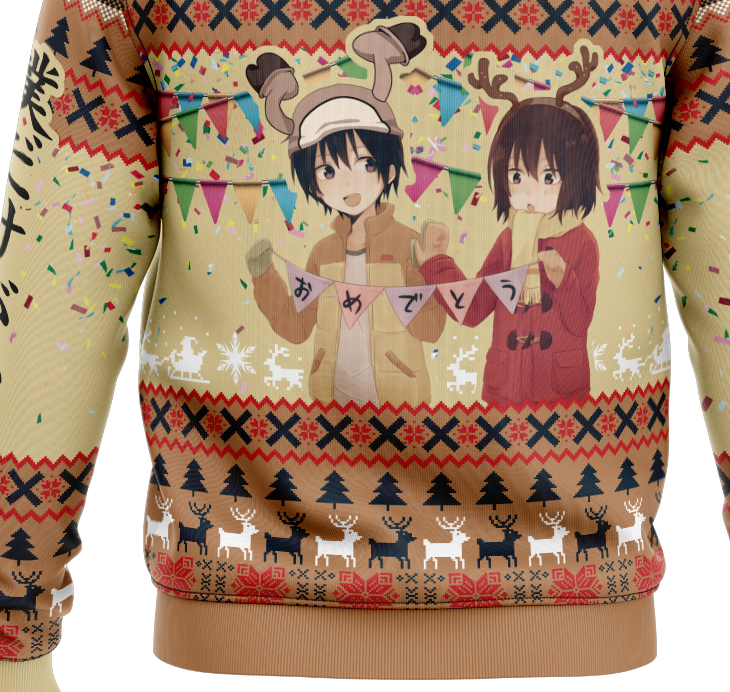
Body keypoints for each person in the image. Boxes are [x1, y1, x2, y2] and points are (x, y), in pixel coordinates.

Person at [244, 21, 446, 406]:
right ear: (314, 185)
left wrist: (429, 269)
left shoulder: (409, 244)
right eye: (327, 171)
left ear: (389, 170)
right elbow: (297, 328)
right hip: (330, 404)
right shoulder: (323, 253)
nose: (347, 183)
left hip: (401, 409)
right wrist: (265, 277)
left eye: (365, 164)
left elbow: (431, 329)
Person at [413, 50, 603, 408]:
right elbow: (473, 309)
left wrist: (564, 279)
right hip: (506, 394)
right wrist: (435, 263)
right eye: (517, 175)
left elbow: (581, 323)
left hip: (561, 393)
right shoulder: (508, 240)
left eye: (548, 176)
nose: (529, 193)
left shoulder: (582, 242)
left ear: (575, 177)